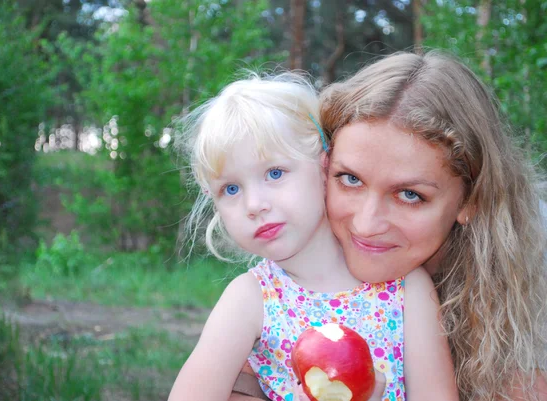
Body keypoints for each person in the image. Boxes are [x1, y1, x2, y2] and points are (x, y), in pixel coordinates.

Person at [230, 51, 547, 401]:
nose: (366, 225)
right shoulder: (293, 269)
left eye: (410, 195)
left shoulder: (531, 285)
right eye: (349, 179)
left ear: (471, 200)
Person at [169, 71, 458, 401]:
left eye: (274, 173)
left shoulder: (406, 288)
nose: (254, 205)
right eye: (230, 189)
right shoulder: (251, 299)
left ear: (325, 168)